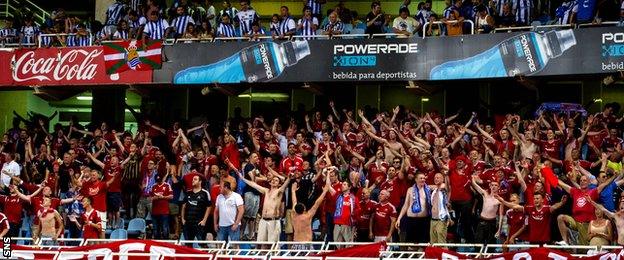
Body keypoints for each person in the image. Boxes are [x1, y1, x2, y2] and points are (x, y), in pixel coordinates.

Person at [233, 158, 290, 244]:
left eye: (276, 180)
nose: (274, 181)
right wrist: (242, 178)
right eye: (273, 180)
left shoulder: (279, 192)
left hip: (273, 221)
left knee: (273, 245)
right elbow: (253, 184)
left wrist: (289, 178)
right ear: (270, 182)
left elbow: (285, 184)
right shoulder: (266, 191)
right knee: (261, 244)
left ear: (279, 184)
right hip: (263, 220)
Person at [497, 193, 567, 245]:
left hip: (545, 240)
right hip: (533, 241)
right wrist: (503, 201)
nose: (535, 200)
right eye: (534, 199)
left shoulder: (546, 209)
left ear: (542, 200)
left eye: (537, 198)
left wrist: (561, 203)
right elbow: (516, 207)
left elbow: (554, 207)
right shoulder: (530, 209)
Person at [396, 173, 431, 243]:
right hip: (411, 220)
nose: (423, 180)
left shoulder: (428, 189)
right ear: (416, 179)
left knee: (423, 243)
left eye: (424, 178)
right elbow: (406, 205)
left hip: (423, 220)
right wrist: (399, 218)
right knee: (411, 243)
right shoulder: (410, 190)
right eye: (421, 178)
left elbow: (441, 186)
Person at [327, 170, 360, 244]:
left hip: (347, 224)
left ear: (349, 187)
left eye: (344, 185)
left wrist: (354, 225)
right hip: (337, 224)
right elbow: (328, 186)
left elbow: (358, 211)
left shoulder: (353, 198)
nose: (342, 186)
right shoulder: (338, 196)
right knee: (337, 245)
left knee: (348, 244)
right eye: (342, 184)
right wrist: (328, 174)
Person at [291, 181, 328, 247]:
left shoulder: (293, 215)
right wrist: (324, 191)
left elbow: (294, 202)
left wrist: (293, 191)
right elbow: (317, 203)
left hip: (295, 244)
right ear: (304, 209)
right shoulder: (307, 216)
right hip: (306, 244)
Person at [471, 175, 503, 245]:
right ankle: (479, 256)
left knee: (491, 244)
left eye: (496, 185)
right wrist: (472, 177)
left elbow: (501, 216)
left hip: (492, 223)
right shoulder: (485, 194)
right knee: (478, 243)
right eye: (492, 185)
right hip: (481, 220)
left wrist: (499, 230)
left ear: (499, 187)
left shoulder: (500, 200)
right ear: (490, 186)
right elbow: (475, 185)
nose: (494, 187)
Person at [181, 175, 212, 243]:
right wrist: (183, 219)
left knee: (202, 244)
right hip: (188, 223)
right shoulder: (188, 192)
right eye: (192, 179)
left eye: (195, 179)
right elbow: (183, 206)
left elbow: (209, 207)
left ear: (200, 182)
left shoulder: (205, 193)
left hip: (199, 223)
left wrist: (204, 220)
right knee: (188, 244)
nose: (193, 180)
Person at [430, 173, 451, 244]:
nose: (436, 179)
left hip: (441, 219)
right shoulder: (434, 191)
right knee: (433, 243)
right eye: (435, 178)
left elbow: (448, 186)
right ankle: (434, 255)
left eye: (438, 178)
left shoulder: (444, 190)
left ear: (442, 179)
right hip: (433, 219)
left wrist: (446, 175)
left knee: (441, 243)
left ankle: (444, 255)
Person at [151, 173, 174, 239]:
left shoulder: (167, 185)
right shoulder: (153, 186)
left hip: (164, 211)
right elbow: (149, 197)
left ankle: (166, 242)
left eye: (160, 180)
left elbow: (171, 196)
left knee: (164, 228)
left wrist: (163, 197)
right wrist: (154, 198)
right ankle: (156, 243)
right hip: (155, 211)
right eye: (157, 180)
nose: (159, 182)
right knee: (155, 229)